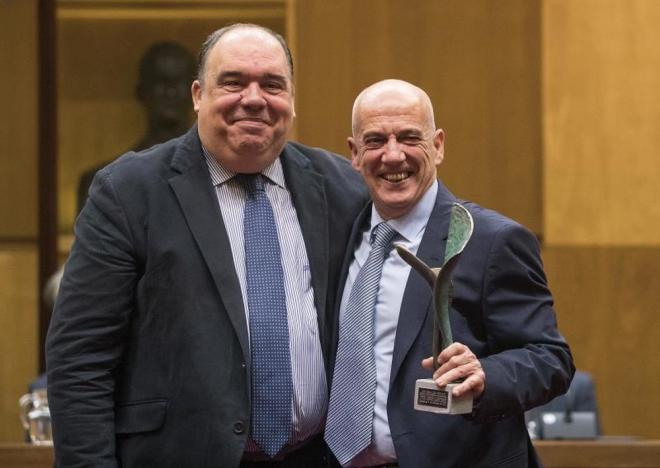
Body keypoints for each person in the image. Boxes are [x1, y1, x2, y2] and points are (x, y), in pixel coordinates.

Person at [46, 23, 367, 467]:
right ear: (198, 95)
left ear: (291, 100)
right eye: (233, 82)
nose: (253, 98)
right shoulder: (129, 192)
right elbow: (80, 360)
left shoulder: (342, 188)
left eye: (272, 85)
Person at [324, 79, 574, 467]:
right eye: (375, 141)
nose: (393, 156)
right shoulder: (338, 237)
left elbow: (550, 359)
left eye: (409, 138)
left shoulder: (491, 240)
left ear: (438, 146)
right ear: (354, 154)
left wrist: (485, 376)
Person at [77, 41, 197, 213]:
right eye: (161, 82)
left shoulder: (221, 179)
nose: (170, 92)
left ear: (197, 93)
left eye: (179, 82)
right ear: (141, 91)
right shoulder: (103, 183)